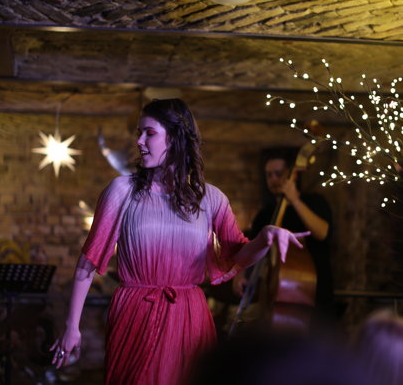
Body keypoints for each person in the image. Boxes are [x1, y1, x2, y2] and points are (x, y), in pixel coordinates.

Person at [50, 99, 308, 385]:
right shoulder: (121, 191)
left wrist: (264, 237)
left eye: (149, 133)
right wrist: (71, 326)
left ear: (175, 138)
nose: (139, 141)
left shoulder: (211, 198)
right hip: (135, 312)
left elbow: (238, 255)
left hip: (189, 316)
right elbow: (87, 262)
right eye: (139, 132)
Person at [234, 150, 334, 321]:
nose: (273, 179)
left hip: (315, 292)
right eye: (269, 175)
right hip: (277, 295)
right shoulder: (265, 214)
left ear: (291, 175)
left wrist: (294, 200)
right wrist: (240, 275)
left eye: (278, 173)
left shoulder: (314, 201)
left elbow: (322, 233)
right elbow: (250, 249)